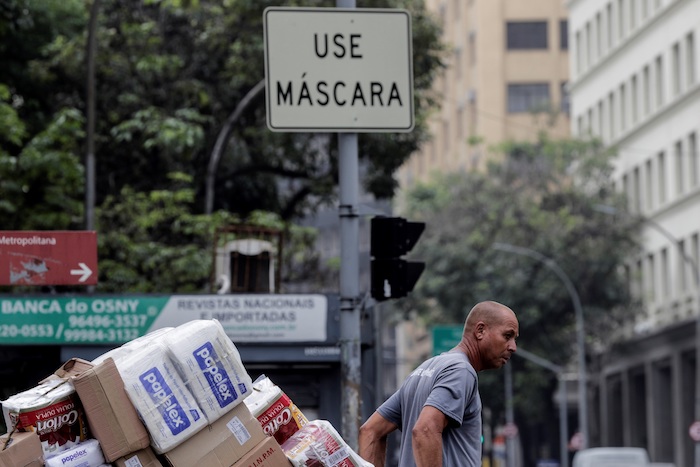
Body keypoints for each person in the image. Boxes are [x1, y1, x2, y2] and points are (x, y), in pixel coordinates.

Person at [358, 300, 519, 467]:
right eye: (507, 336)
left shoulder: (424, 369)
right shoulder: (461, 371)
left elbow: (370, 432)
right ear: (480, 331)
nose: (513, 347)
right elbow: (425, 430)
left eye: (514, 339)